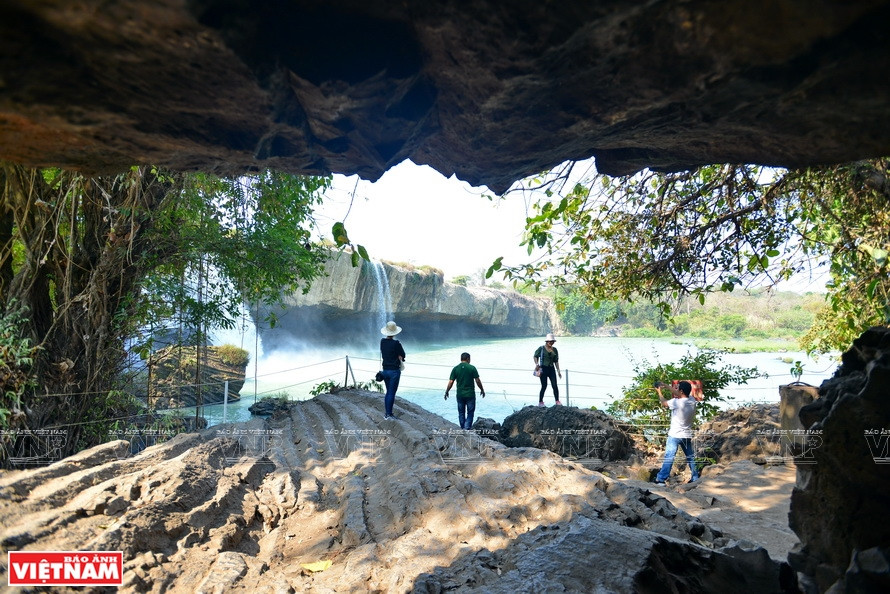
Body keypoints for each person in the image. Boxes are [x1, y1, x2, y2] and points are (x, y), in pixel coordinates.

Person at [653, 380, 704, 485]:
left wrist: (659, 392)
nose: (675, 389)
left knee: (669, 457)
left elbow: (664, 403)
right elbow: (679, 393)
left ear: (681, 391)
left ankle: (661, 479)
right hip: (686, 435)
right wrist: (666, 385)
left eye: (678, 388)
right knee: (690, 457)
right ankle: (695, 477)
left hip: (675, 435)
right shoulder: (692, 400)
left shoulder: (676, 402)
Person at [444, 352, 485, 429]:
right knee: (470, 413)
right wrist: (482, 389)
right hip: (470, 395)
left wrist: (447, 391)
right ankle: (466, 428)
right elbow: (477, 381)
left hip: (460, 395)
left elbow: (451, 382)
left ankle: (463, 428)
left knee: (461, 413)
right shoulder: (472, 368)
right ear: (468, 359)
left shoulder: (455, 368)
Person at [379, 321, 406, 419]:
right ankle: (389, 414)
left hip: (385, 370)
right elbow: (403, 354)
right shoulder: (396, 343)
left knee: (388, 392)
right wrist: (399, 356)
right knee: (391, 392)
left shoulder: (382, 341)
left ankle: (387, 413)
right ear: (395, 332)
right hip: (394, 371)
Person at [533, 333, 562, 406]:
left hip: (551, 369)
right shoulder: (541, 348)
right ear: (546, 341)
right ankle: (540, 402)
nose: (551, 343)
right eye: (550, 341)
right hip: (543, 368)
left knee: (554, 385)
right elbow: (535, 356)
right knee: (544, 386)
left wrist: (558, 371)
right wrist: (537, 364)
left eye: (552, 341)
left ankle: (557, 401)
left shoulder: (555, 350)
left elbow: (556, 361)